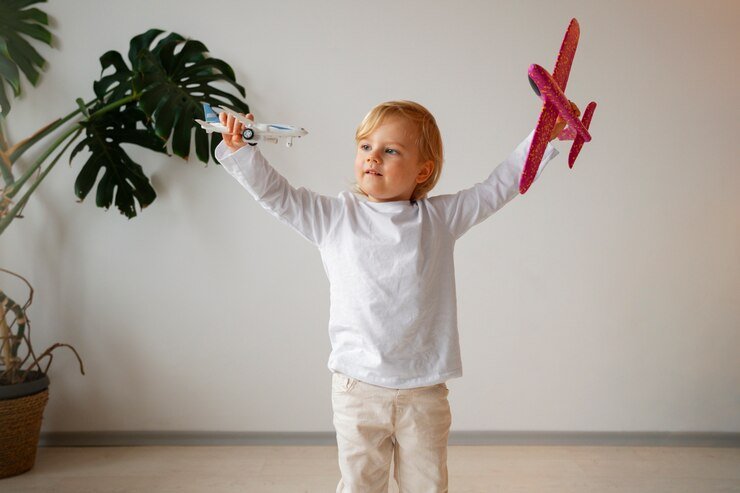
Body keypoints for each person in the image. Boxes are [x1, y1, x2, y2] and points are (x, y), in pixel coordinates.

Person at [216, 100, 575, 492]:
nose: (373, 158)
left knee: (427, 486)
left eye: (390, 150)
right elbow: (276, 196)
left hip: (423, 390)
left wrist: (545, 133)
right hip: (357, 389)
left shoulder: (438, 220)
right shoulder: (334, 217)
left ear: (423, 170)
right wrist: (241, 150)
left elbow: (499, 187)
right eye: (366, 146)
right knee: (359, 486)